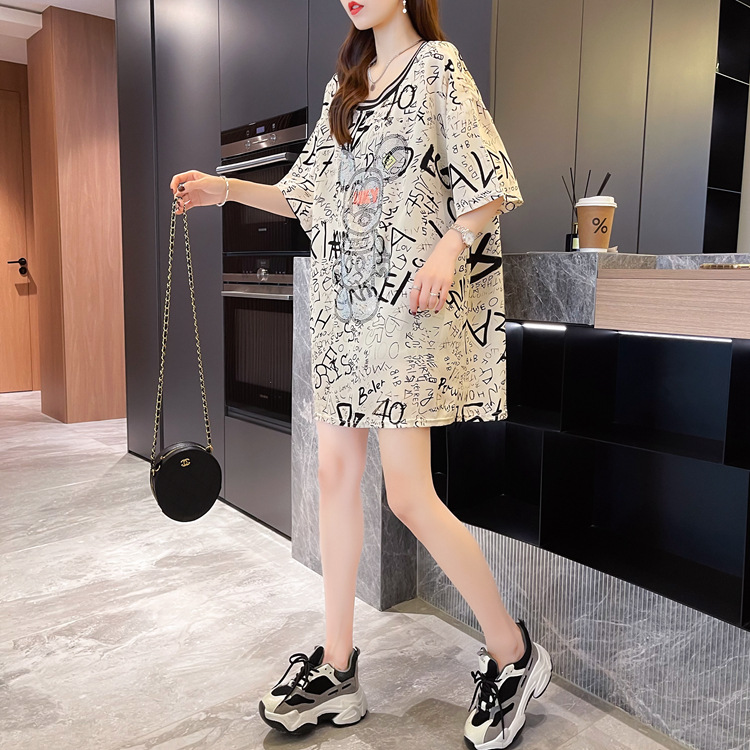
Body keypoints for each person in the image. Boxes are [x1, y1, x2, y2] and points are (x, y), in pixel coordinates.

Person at [170, 1, 552, 747]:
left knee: (408, 493)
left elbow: (489, 181)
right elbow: (307, 193)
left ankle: (513, 652)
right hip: (345, 313)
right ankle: (339, 668)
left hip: (407, 311)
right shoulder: (345, 87)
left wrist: (449, 246)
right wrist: (226, 189)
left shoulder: (438, 68)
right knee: (335, 478)